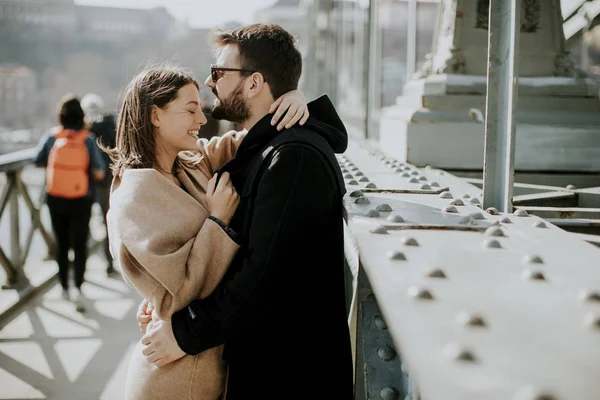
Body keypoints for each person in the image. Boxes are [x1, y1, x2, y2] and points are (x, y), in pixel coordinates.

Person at [139, 24, 353, 399]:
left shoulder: (292, 158)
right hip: (272, 364)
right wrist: (165, 301)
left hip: (286, 375)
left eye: (219, 72)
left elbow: (264, 276)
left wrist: (184, 334)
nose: (210, 81)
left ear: (254, 83)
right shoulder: (270, 150)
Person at [105, 64, 311, 400]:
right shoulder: (134, 196)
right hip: (173, 378)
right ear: (155, 116)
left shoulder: (190, 162)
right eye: (190, 110)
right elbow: (179, 290)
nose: (201, 119)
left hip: (201, 361)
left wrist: (292, 99)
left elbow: (247, 140)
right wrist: (217, 221)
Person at [35, 94, 106, 312]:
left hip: (55, 198)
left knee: (62, 243)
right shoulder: (87, 139)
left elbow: (37, 160)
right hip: (81, 200)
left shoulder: (52, 137)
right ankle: (79, 288)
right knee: (80, 243)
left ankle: (64, 286)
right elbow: (99, 171)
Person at [80, 93, 119, 277]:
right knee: (107, 222)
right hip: (107, 181)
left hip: (85, 182)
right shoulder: (110, 126)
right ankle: (109, 264)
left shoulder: (83, 130)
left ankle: (81, 267)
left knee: (81, 224)